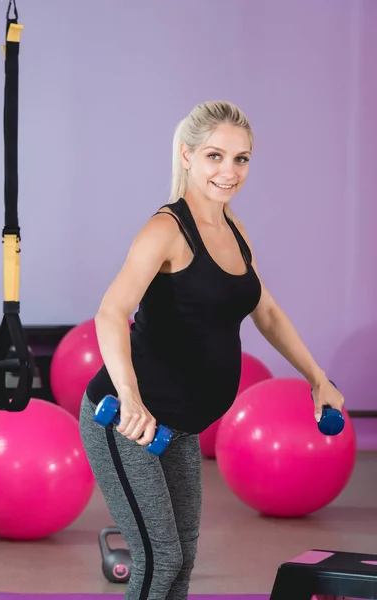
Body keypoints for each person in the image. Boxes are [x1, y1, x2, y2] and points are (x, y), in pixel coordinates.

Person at [79, 100, 344, 600]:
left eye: (241, 159)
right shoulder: (165, 230)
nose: (229, 171)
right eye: (215, 156)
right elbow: (110, 313)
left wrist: (317, 377)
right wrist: (131, 400)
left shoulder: (234, 229)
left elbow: (264, 310)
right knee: (160, 560)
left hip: (180, 429)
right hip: (127, 421)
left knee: (182, 560)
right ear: (187, 155)